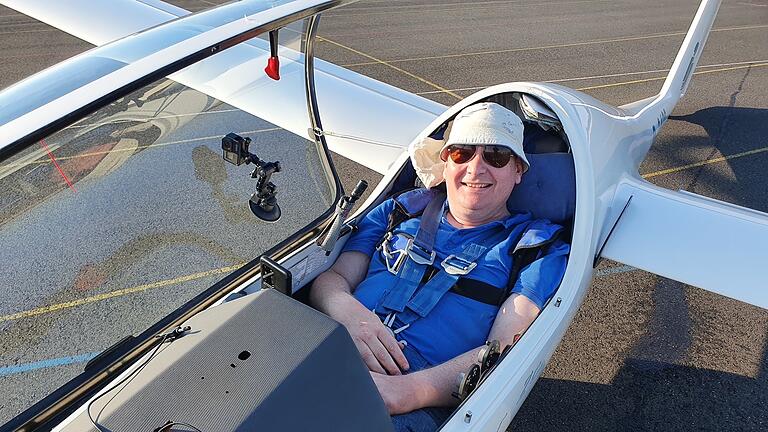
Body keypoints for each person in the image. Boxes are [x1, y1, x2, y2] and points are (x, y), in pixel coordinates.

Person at [310, 102, 569, 432]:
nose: (476, 169)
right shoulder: (399, 212)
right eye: (462, 153)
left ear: (518, 170)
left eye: (497, 156)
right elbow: (334, 277)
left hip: (419, 393)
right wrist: (346, 311)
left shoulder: (535, 248)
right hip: (332, 341)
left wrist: (405, 392)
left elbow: (502, 350)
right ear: (445, 163)